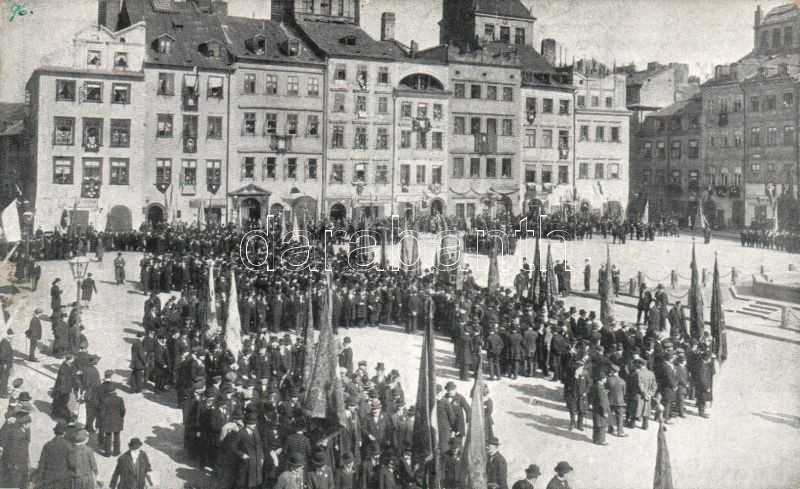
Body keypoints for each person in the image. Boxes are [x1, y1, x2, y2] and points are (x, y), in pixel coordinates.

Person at [36, 421, 72, 489]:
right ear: (64, 432)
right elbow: (72, 463)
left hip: (48, 478)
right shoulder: (68, 446)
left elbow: (42, 463)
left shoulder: (47, 445)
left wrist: (40, 476)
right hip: (62, 479)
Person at [0, 413, 31, 488]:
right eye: (29, 423)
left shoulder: (24, 431)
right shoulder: (16, 433)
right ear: (24, 424)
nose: (30, 425)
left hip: (21, 463)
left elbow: (26, 447)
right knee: (13, 483)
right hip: (15, 464)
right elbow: (13, 449)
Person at [236, 412, 265, 488]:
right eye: (253, 423)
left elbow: (259, 445)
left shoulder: (256, 431)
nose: (255, 425)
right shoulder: (240, 433)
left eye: (255, 423)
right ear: (247, 424)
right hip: (246, 463)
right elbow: (233, 447)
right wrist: (242, 455)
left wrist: (261, 457)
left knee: (255, 483)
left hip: (256, 462)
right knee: (245, 483)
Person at [98, 383, 126, 457]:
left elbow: (102, 413)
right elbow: (123, 410)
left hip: (107, 421)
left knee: (108, 436)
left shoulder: (105, 400)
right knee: (117, 435)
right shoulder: (120, 399)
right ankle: (116, 451)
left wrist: (102, 420)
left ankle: (107, 453)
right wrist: (121, 417)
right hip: (118, 420)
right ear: (115, 391)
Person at [589, 372, 610, 446]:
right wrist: (605, 412)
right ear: (602, 379)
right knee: (602, 424)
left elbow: (592, 395)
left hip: (595, 407)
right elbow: (602, 401)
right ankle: (601, 440)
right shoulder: (600, 387)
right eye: (605, 378)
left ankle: (595, 439)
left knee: (596, 424)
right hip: (600, 409)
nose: (606, 379)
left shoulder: (595, 385)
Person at [0, 329, 14, 397]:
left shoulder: (5, 341)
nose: (12, 336)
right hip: (5, 364)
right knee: (4, 378)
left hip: (6, 364)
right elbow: (2, 355)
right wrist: (5, 363)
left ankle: (3, 390)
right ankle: (3, 393)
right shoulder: (4, 343)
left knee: (4, 378)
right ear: (7, 335)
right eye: (11, 335)